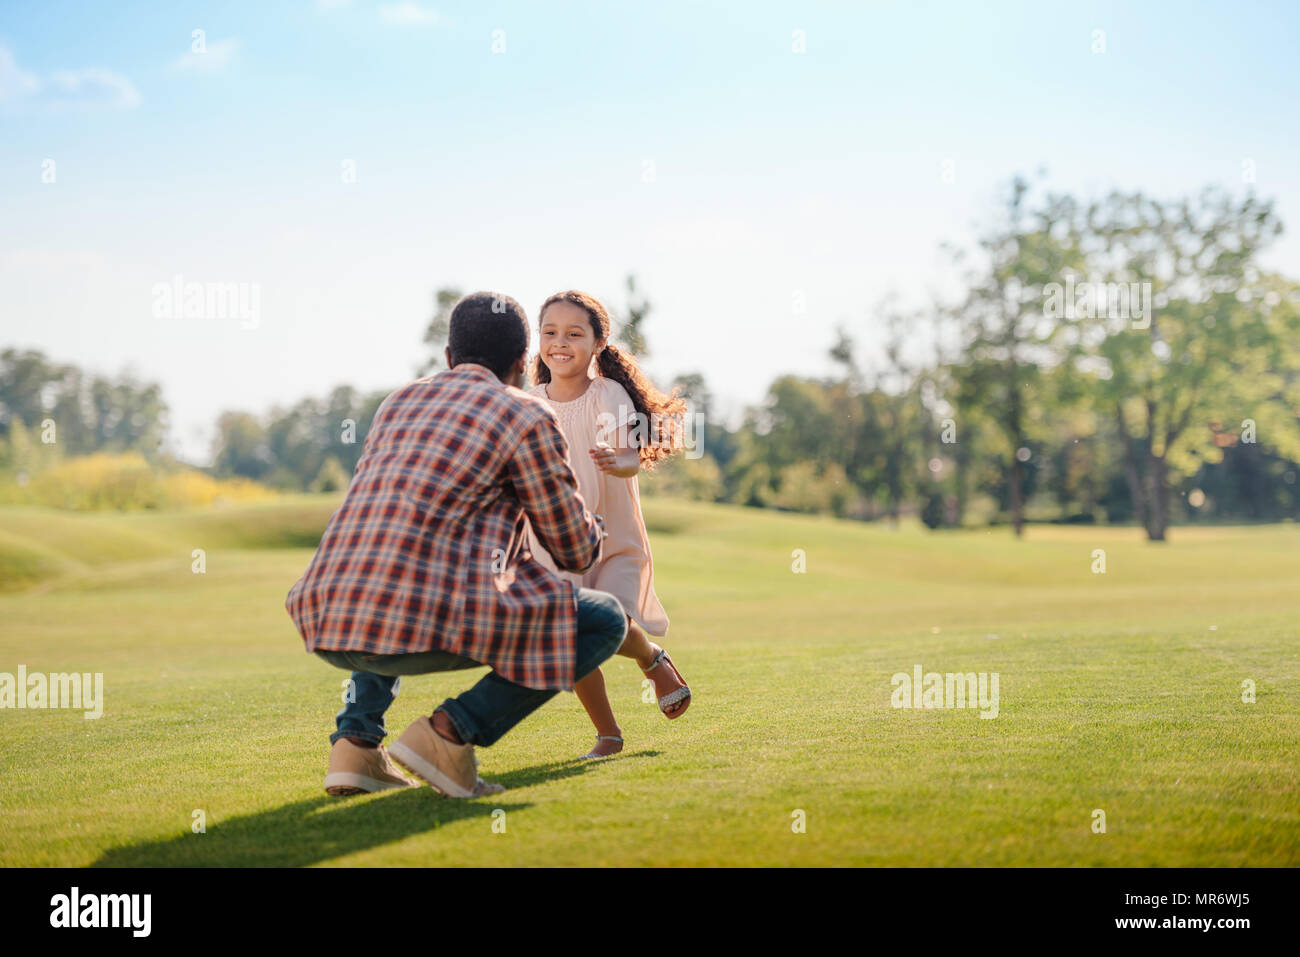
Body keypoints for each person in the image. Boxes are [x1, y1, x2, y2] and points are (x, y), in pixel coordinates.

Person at [284, 291, 627, 798]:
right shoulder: (525, 414)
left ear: (449, 358)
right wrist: (590, 523)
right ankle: (448, 733)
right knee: (604, 619)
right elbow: (575, 550)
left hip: (329, 617)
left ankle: (354, 745)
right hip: (422, 626)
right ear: (519, 364)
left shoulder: (398, 401)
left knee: (398, 573)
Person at [527, 290, 691, 760]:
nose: (560, 342)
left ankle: (651, 660)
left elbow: (628, 452)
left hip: (611, 537)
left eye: (574, 334)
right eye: (550, 332)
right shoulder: (530, 401)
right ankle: (608, 735)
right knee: (569, 633)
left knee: (610, 621)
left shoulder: (607, 393)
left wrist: (622, 462)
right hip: (556, 541)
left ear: (598, 343)